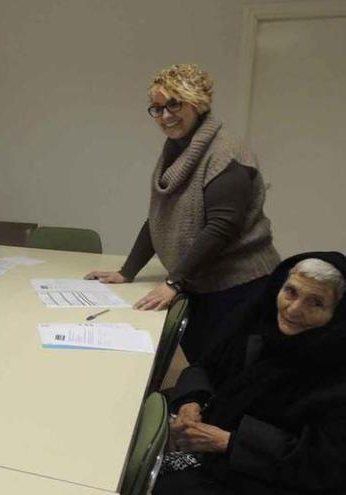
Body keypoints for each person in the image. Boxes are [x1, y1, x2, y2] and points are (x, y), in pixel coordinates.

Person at [85, 64, 279, 362]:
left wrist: (174, 282)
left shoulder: (226, 153)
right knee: (202, 360)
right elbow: (159, 218)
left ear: (197, 102)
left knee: (225, 365)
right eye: (157, 108)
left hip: (238, 285)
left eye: (174, 104)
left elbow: (221, 228)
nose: (165, 116)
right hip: (201, 280)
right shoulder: (177, 149)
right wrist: (127, 272)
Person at [154, 252, 346, 494]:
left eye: (316, 303)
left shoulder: (336, 373)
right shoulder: (256, 324)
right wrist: (191, 403)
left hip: (269, 477)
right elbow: (205, 366)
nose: (295, 309)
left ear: (338, 314)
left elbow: (325, 465)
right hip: (215, 447)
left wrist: (229, 442)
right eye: (291, 292)